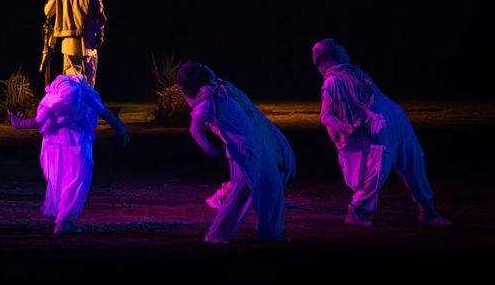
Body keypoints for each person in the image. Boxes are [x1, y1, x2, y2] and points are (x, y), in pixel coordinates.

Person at [312, 38, 452, 227]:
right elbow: (326, 116)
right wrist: (348, 128)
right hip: (378, 128)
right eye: (338, 47)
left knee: (414, 161)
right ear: (329, 55)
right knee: (377, 170)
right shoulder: (333, 81)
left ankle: (428, 210)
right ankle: (355, 210)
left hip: (395, 120)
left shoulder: (354, 71)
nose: (344, 48)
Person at [177, 61, 288, 243]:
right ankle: (217, 234)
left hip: (257, 145)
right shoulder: (205, 104)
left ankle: (270, 231)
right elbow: (194, 130)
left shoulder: (222, 89)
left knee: (272, 185)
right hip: (242, 151)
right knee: (241, 194)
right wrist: (212, 151)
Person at [7, 74, 129, 234]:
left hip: (55, 145)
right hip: (74, 144)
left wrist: (18, 123)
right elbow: (105, 113)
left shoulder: (56, 97)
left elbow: (38, 120)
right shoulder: (77, 94)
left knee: (62, 180)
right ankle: (63, 221)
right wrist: (121, 129)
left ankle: (62, 219)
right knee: (73, 181)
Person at [203, 78, 295, 209]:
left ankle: (267, 198)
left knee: (270, 167)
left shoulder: (225, 89)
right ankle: (224, 197)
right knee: (249, 174)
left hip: (252, 132)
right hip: (242, 140)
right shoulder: (212, 100)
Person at [43, 0, 105, 88]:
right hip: (89, 40)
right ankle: (87, 107)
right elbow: (99, 15)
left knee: (72, 82)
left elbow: (48, 11)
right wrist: (100, 34)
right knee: (89, 81)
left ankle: (75, 108)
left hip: (69, 42)